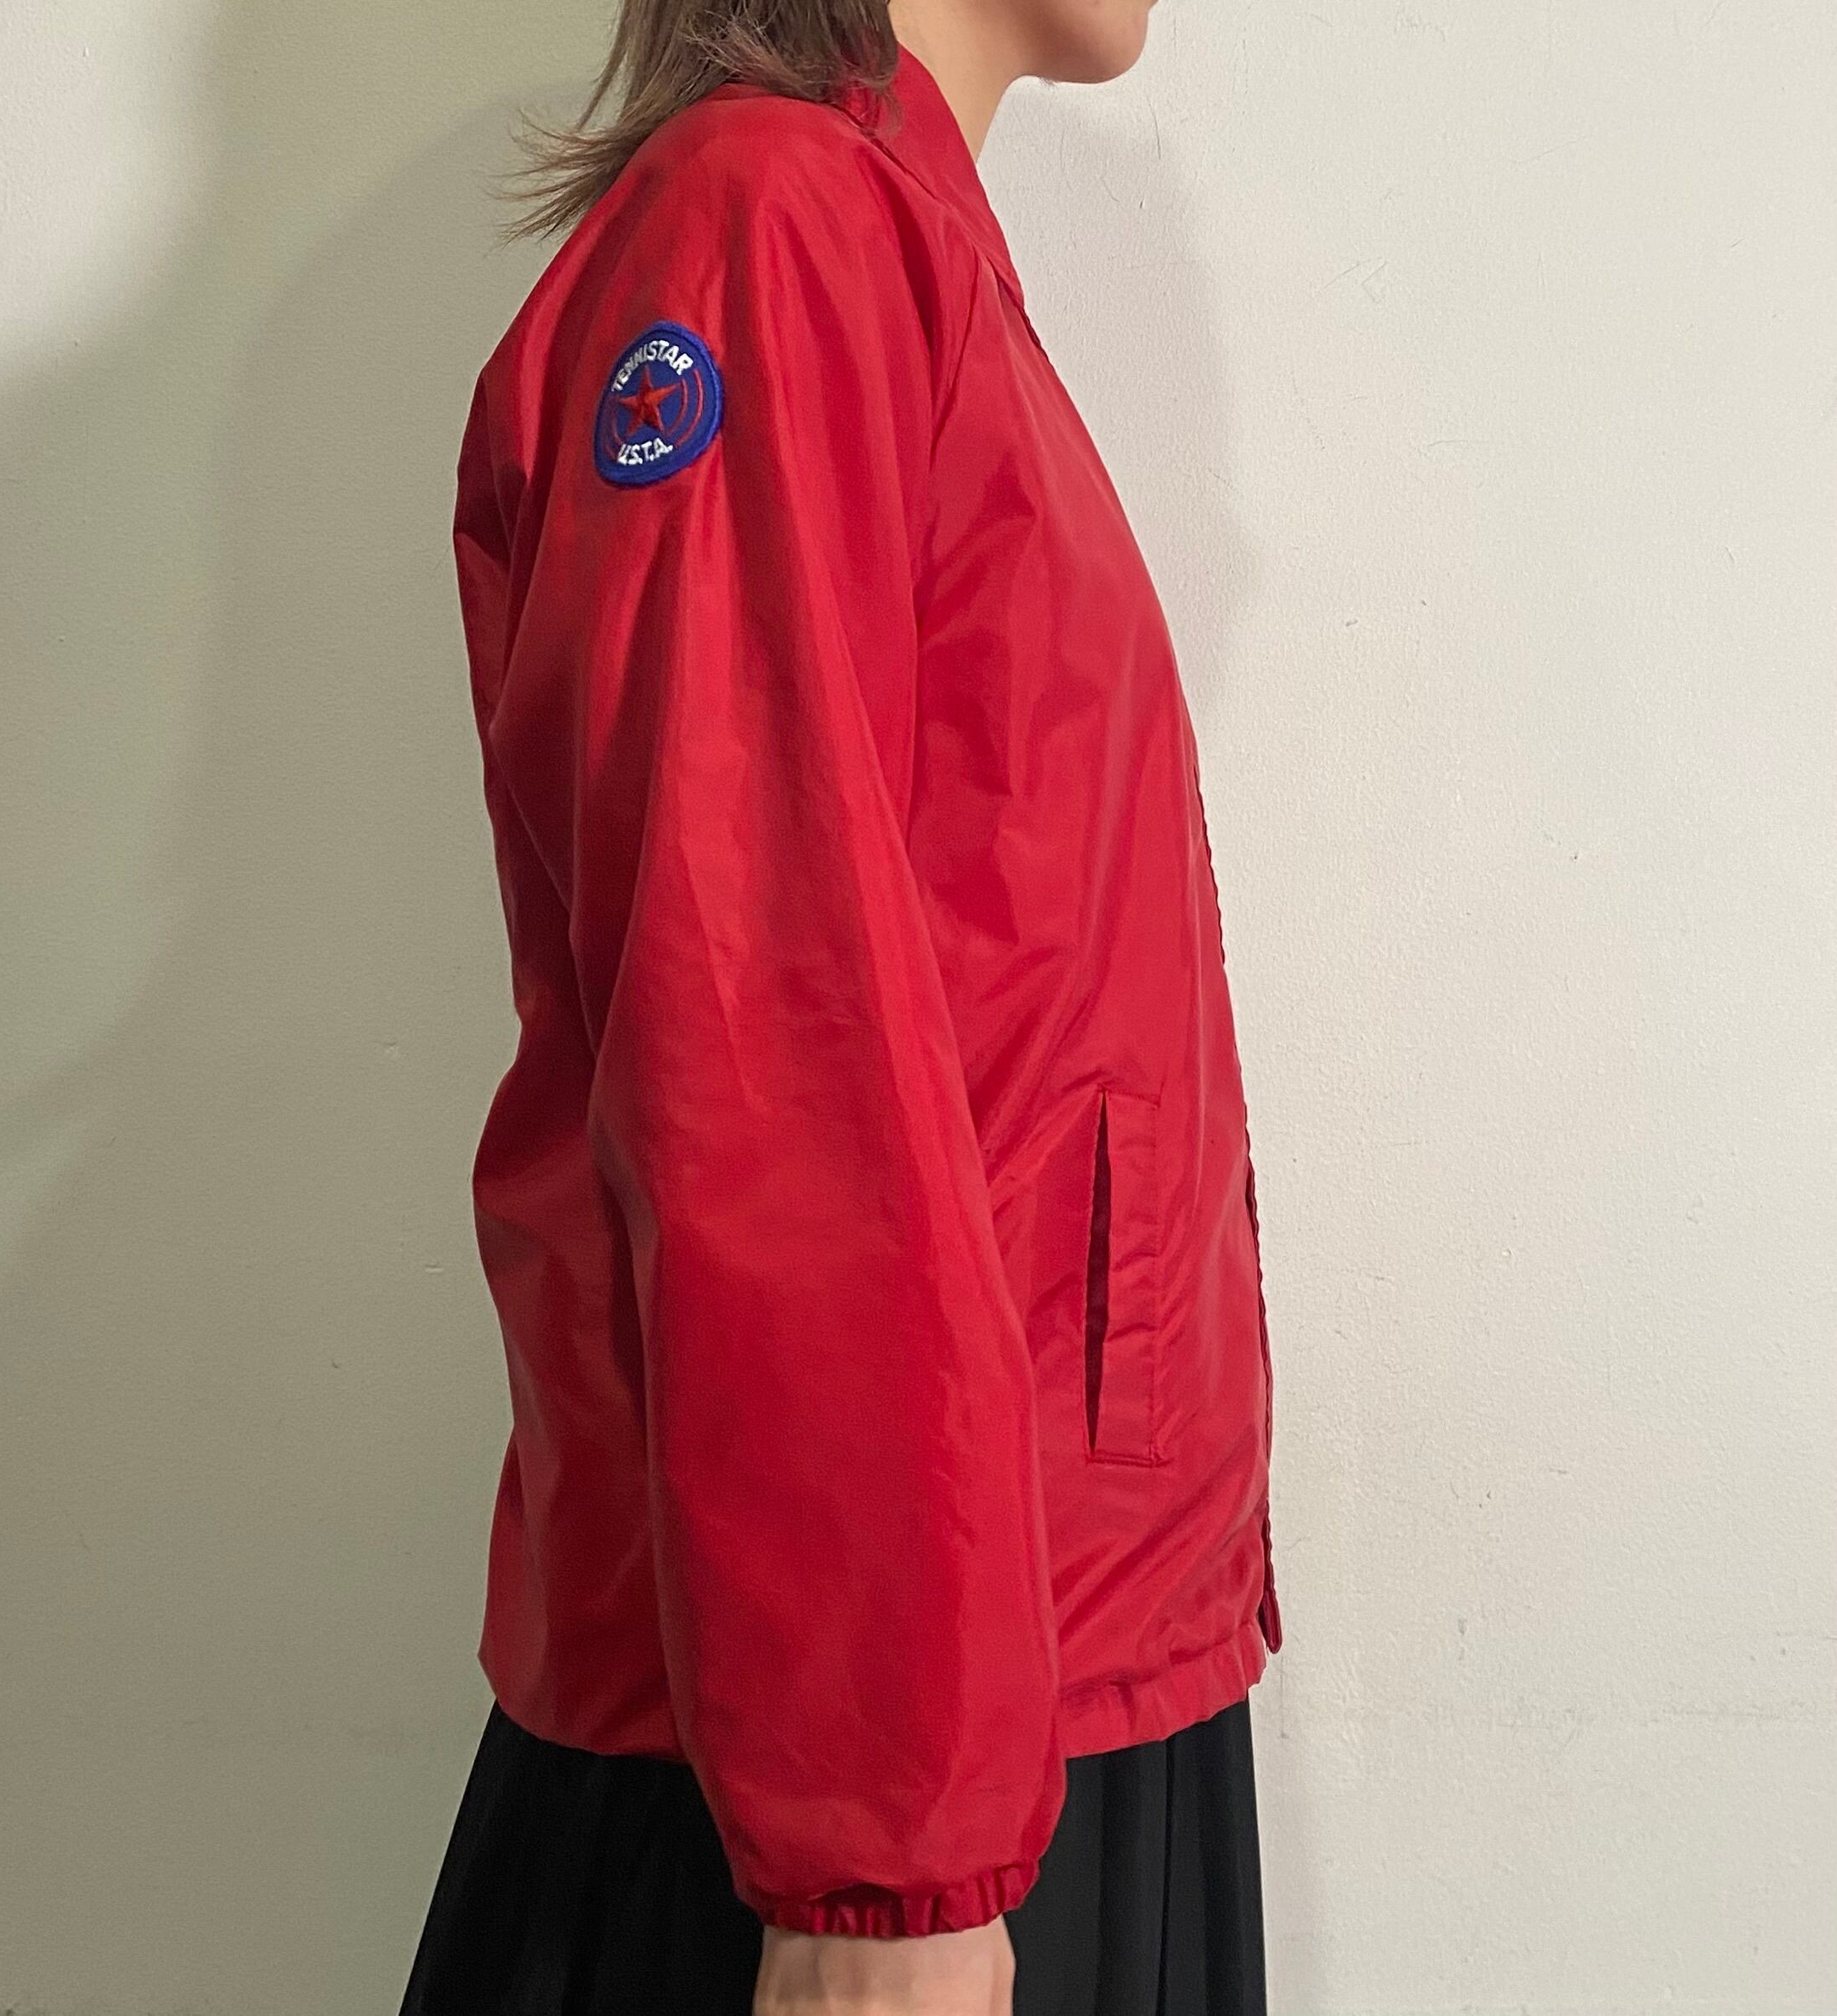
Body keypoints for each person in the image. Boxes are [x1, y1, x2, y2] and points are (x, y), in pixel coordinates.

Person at [399, 1, 1283, 2010]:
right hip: (891, 1744)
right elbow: (762, 1043)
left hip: (1019, 1657)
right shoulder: (767, 228)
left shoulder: (884, 234)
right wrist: (882, 1860)